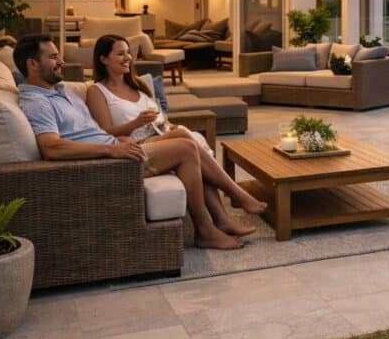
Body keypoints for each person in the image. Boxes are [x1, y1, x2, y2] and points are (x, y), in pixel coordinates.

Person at [13, 33, 243, 250]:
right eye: (53, 57)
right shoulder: (36, 101)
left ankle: (222, 215)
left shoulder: (59, 90)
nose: (61, 61)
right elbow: (51, 147)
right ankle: (207, 228)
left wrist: (118, 139)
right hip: (105, 162)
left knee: (186, 139)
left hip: (116, 148)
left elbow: (95, 130)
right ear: (32, 64)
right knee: (186, 147)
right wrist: (111, 150)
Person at [85, 34, 267, 238]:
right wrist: (134, 124)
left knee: (187, 139)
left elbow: (162, 119)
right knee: (187, 140)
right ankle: (235, 195)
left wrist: (170, 126)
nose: (127, 57)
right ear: (103, 59)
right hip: (134, 145)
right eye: (120, 53)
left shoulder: (138, 85)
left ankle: (222, 220)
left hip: (160, 137)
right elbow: (103, 132)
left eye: (128, 52)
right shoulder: (96, 91)